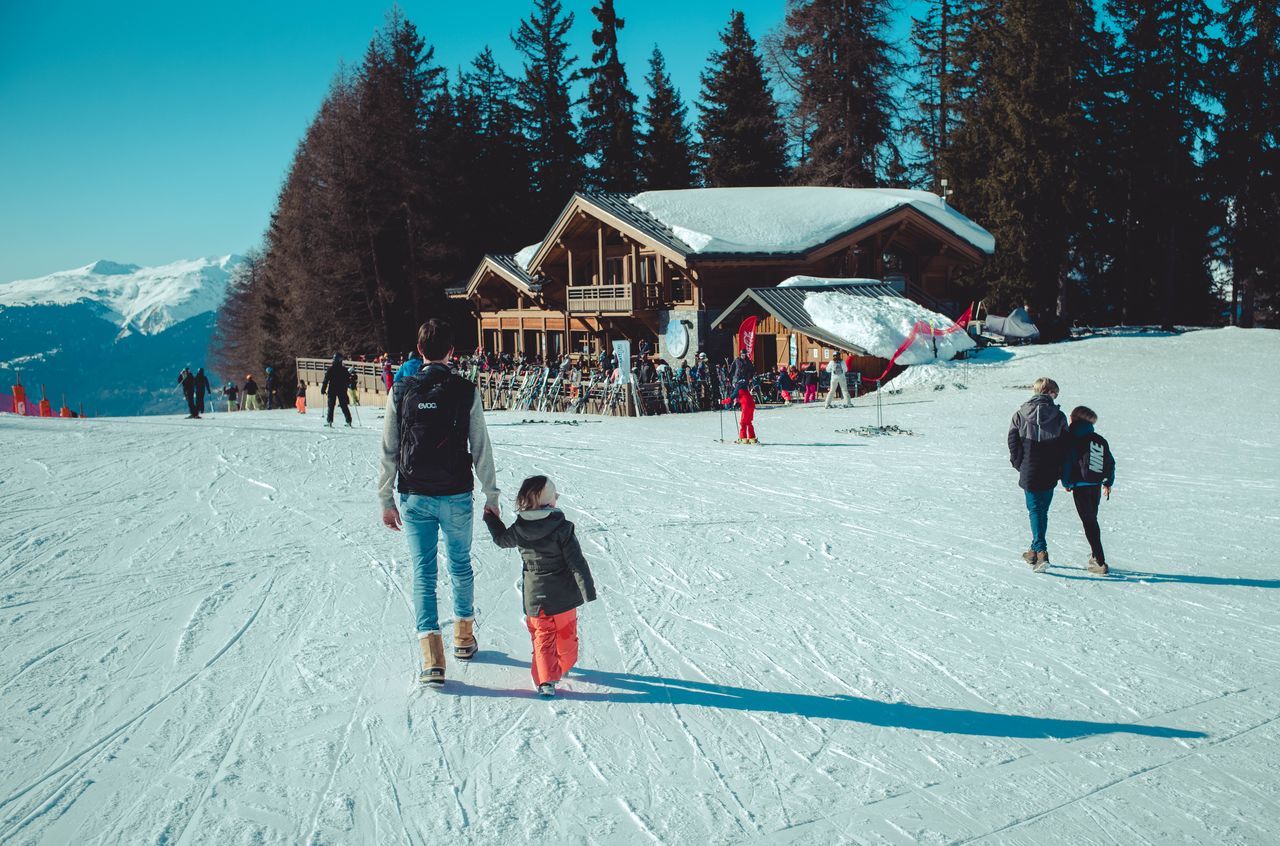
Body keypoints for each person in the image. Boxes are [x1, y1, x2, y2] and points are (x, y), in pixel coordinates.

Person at [378, 319, 500, 687]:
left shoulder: (401, 390)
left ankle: (432, 660)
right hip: (457, 493)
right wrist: (491, 494)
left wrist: (385, 497)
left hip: (414, 494)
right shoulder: (465, 389)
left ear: (419, 352)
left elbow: (389, 448)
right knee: (460, 565)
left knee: (423, 574)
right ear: (451, 352)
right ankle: (463, 639)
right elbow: (480, 445)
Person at [483, 475, 596, 698]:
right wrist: (587, 589)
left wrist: (491, 519)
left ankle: (546, 680)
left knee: (542, 636)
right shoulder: (563, 528)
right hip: (563, 595)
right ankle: (562, 665)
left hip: (535, 596)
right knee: (566, 635)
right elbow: (576, 561)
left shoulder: (519, 528)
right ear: (551, 502)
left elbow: (501, 540)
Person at [1008, 377, 1069, 571]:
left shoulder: (1019, 414)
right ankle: (1036, 551)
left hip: (1030, 469)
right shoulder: (1059, 417)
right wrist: (1060, 467)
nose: (1057, 396)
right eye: (1056, 393)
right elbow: (1065, 446)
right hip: (1050, 469)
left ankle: (1040, 551)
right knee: (1041, 510)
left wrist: (1019, 463)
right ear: (1050, 392)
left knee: (1035, 510)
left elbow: (1012, 441)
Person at [1062, 406, 1116, 575]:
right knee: (1092, 520)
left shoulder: (1072, 438)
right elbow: (1110, 462)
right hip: (1096, 486)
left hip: (1080, 486)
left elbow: (1067, 462)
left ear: (1074, 419)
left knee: (1089, 523)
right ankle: (1095, 556)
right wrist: (1108, 482)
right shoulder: (1098, 439)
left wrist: (1067, 482)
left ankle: (1099, 561)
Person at [321, 354, 353, 427]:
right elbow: (348, 380)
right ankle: (349, 421)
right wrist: (350, 385)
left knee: (331, 405)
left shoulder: (331, 369)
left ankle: (329, 421)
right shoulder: (344, 369)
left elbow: (326, 380)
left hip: (332, 389)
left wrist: (323, 389)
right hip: (342, 389)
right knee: (343, 405)